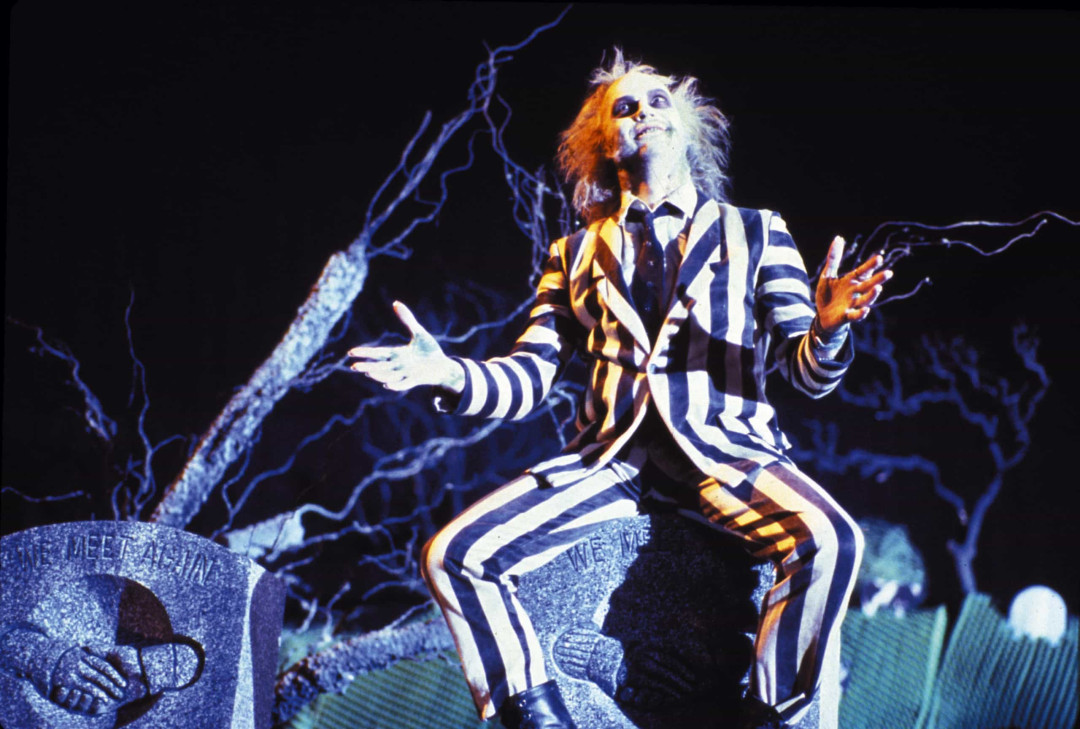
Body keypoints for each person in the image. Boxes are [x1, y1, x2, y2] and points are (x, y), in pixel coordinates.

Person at [350, 50, 891, 729]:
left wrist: (830, 328)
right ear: (606, 142)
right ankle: (537, 714)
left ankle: (769, 715)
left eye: (658, 101)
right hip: (611, 462)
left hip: (727, 456)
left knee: (833, 539)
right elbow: (528, 376)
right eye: (625, 108)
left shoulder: (757, 232)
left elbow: (808, 373)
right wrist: (450, 374)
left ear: (687, 128)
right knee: (454, 556)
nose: (643, 113)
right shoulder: (573, 254)